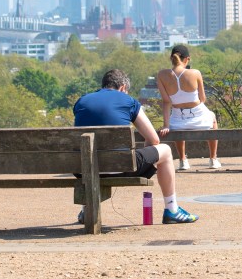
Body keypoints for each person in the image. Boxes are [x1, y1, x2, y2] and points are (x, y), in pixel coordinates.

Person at [73, 69, 198, 224]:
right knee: (165, 150)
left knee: (89, 154)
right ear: (123, 87)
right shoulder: (129, 101)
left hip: (83, 169)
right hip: (120, 167)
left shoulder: (82, 101)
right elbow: (153, 139)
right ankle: (172, 210)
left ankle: (87, 210)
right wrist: (146, 159)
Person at [155, 44, 220, 170]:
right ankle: (213, 159)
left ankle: (183, 160)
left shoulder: (162, 75)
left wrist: (166, 125)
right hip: (199, 115)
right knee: (212, 117)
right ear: (187, 59)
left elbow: (166, 102)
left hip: (177, 119)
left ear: (171, 58)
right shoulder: (195, 73)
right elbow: (203, 99)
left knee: (177, 121)